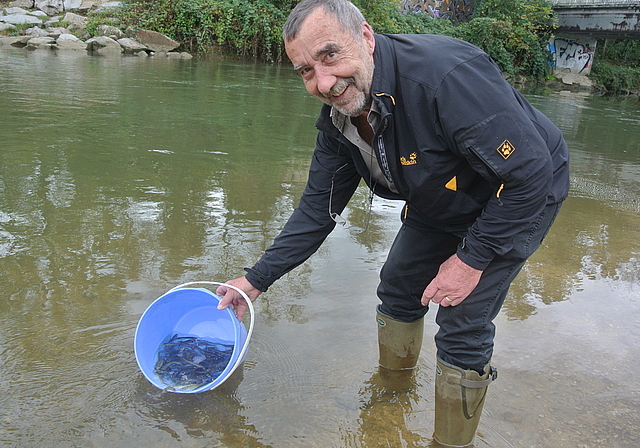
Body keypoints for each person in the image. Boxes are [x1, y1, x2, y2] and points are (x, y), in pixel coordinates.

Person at [216, 0, 570, 445]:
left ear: (365, 37)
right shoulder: (340, 121)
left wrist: (470, 258)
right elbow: (316, 210)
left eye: (329, 55)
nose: (323, 82)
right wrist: (255, 281)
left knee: (461, 321)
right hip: (440, 193)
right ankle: (393, 392)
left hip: (520, 194)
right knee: (399, 287)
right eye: (305, 70)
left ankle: (449, 442)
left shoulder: (445, 77)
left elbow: (530, 173)